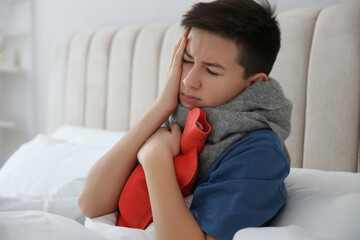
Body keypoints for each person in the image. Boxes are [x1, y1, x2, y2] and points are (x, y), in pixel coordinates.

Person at [78, 0, 292, 239]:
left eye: (211, 70)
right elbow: (91, 204)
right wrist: (161, 105)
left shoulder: (260, 154)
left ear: (254, 83)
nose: (189, 80)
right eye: (187, 60)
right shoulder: (180, 117)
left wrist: (155, 159)